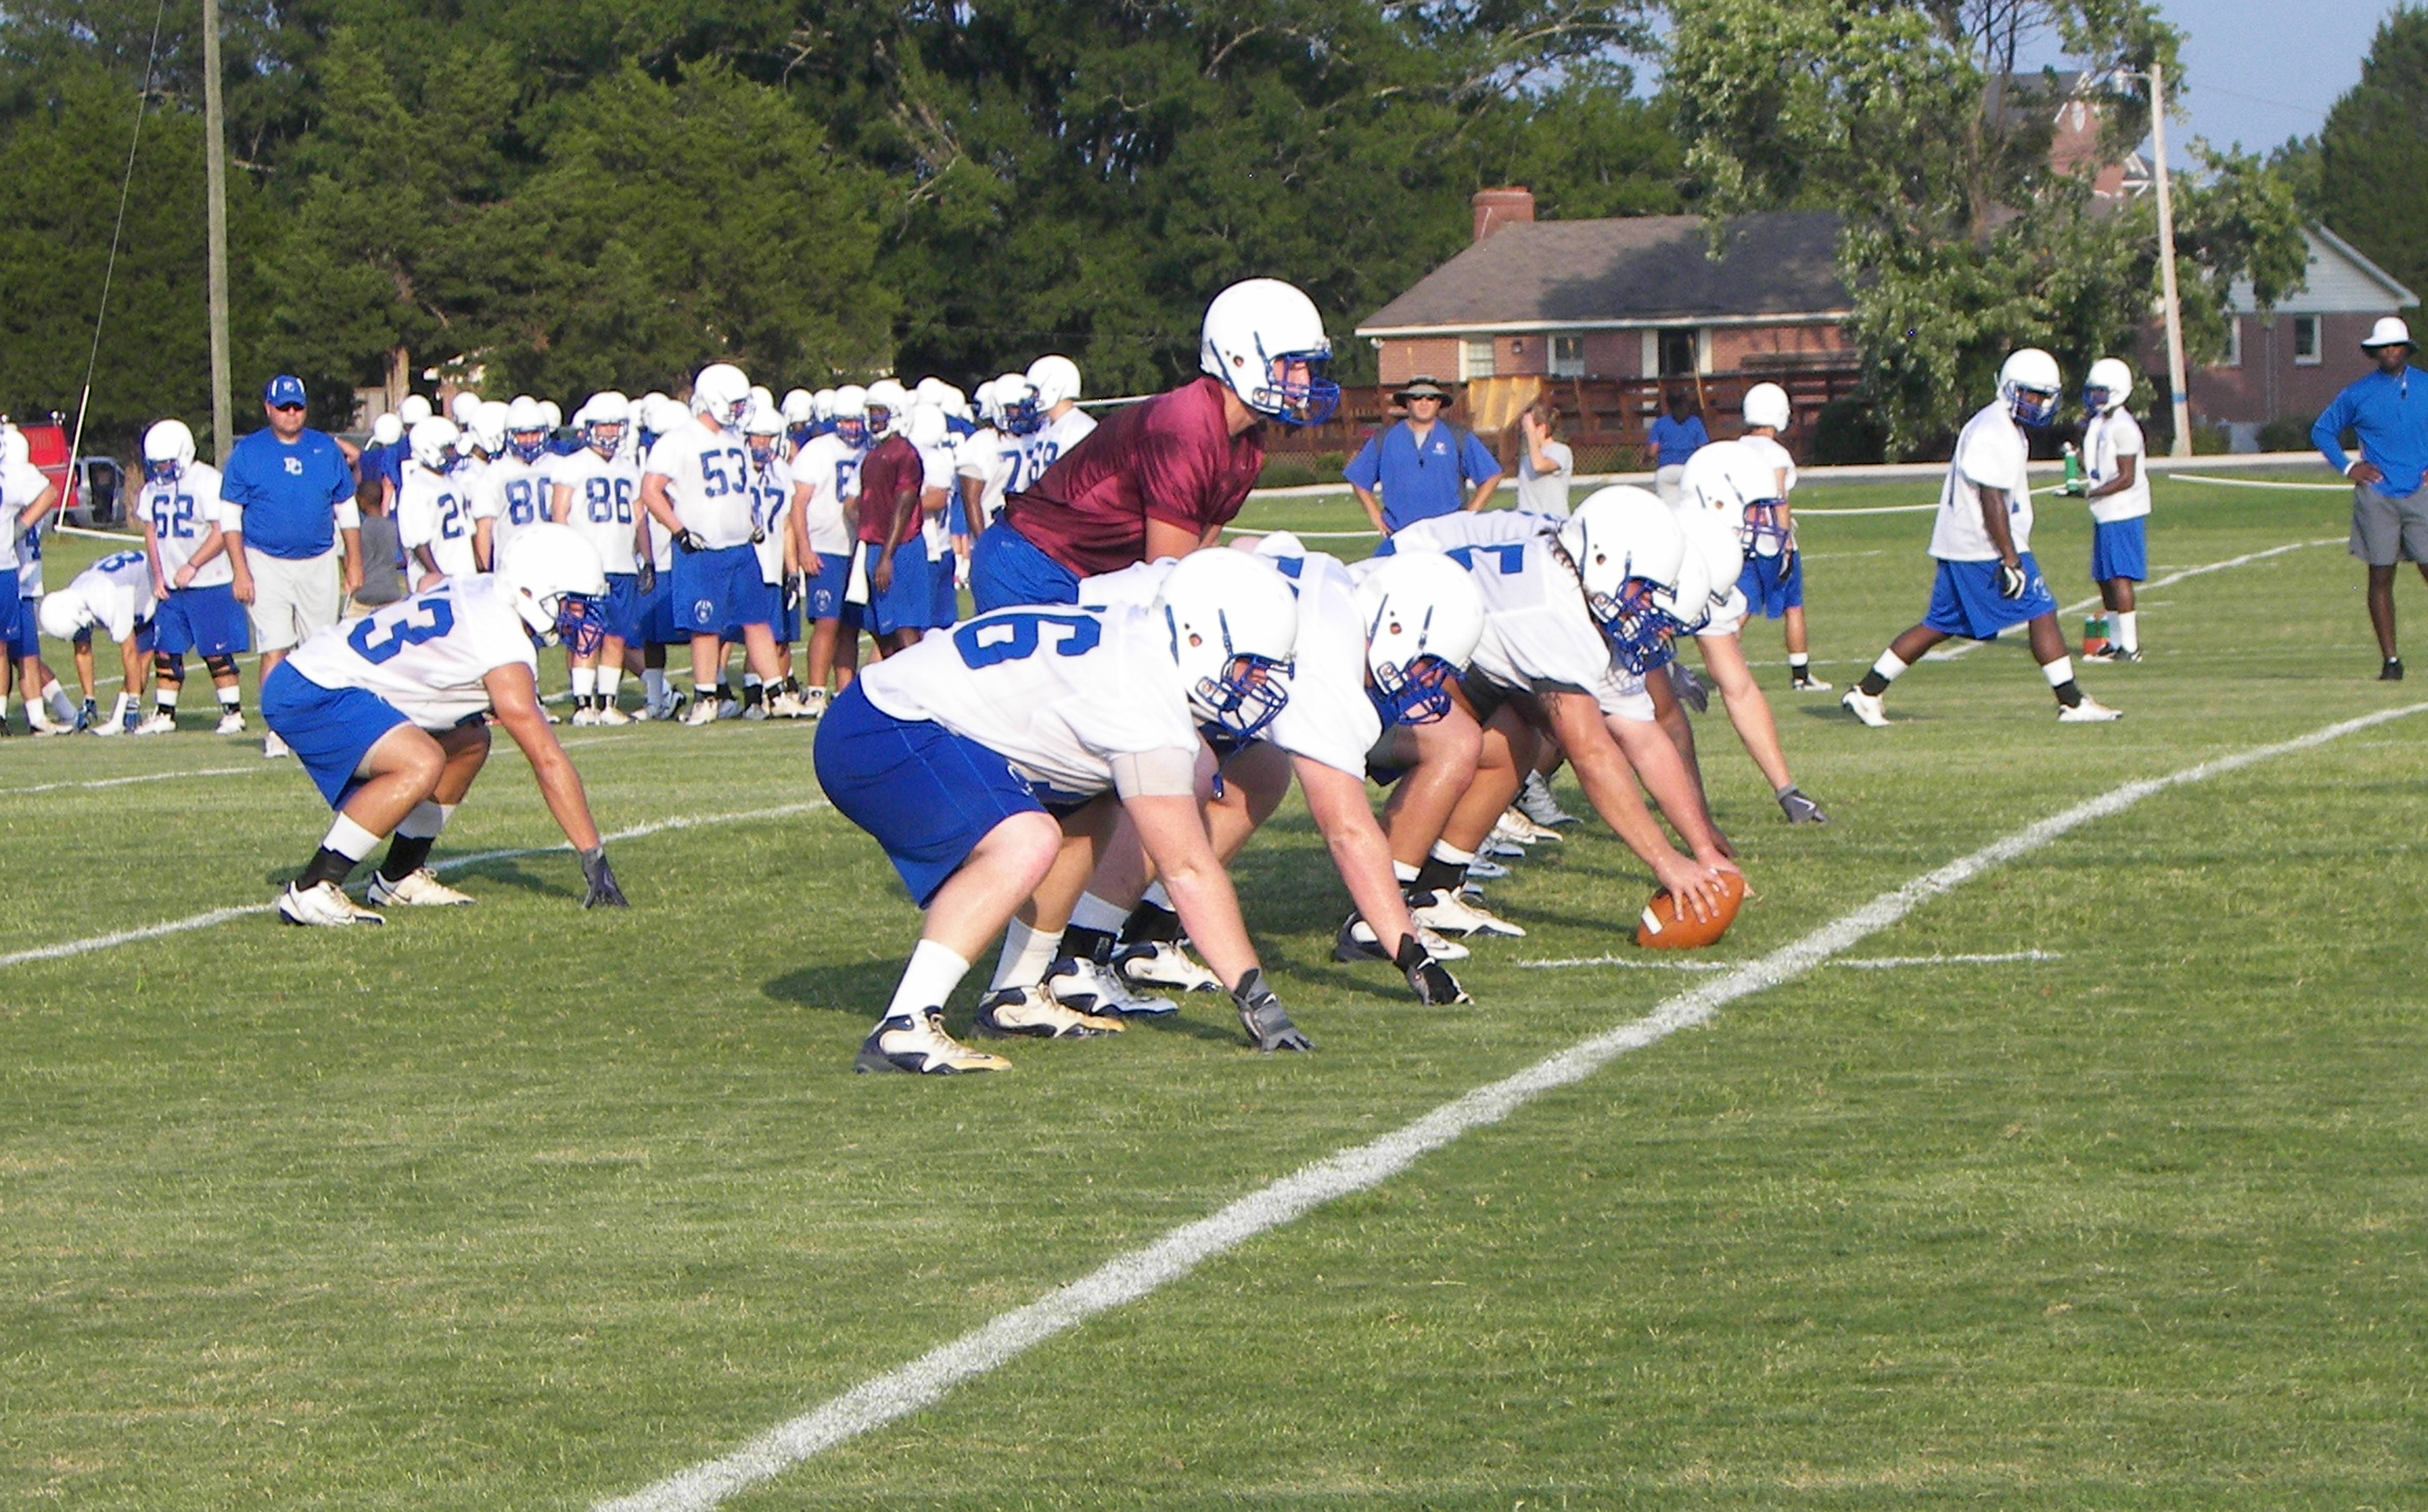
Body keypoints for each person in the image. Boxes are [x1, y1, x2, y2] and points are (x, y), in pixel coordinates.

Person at [812, 548, 1311, 1074]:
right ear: (1196, 638)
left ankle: (1016, 994)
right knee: (1026, 840)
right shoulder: (1141, 699)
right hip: (879, 727)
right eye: (1249, 668)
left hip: (902, 716)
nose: (1255, 686)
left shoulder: (1138, 637)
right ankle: (904, 1026)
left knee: (1091, 798)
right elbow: (1187, 870)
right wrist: (1258, 1000)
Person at [1386, 490, 1741, 934]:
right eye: (1645, 592)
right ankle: (1382, 911)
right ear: (1606, 560)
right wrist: (1665, 861)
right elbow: (1592, 754)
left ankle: (1434, 892)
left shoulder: (1585, 598)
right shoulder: (1554, 604)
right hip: (1383, 643)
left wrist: (1703, 850)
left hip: (1441, 646)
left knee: (1517, 737)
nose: (1647, 610)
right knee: (1458, 742)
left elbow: (1645, 738)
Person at [259, 523, 629, 926]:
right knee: (422, 762)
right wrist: (594, 859)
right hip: (313, 687)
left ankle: (399, 877)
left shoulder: (486, 588)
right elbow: (547, 760)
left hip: (330, 677)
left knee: (470, 741)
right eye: (571, 603)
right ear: (530, 591)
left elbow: (431, 584)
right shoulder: (503, 641)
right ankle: (313, 888)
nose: (579, 616)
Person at [972, 277, 1338, 610]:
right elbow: (1169, 583)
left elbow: (1200, 553)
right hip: (1031, 564)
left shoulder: (1246, 444)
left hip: (1085, 572)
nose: (1304, 382)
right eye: (1290, 364)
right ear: (1239, 358)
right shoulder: (1184, 429)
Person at [1842, 349, 2123, 727]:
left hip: (1966, 541)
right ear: (2010, 390)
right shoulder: (1994, 430)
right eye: (2031, 395)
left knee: (1939, 625)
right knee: (2041, 610)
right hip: (1980, 545)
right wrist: (2009, 557)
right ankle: (2071, 702)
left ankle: (1867, 692)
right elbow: (1990, 499)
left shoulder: (2003, 427)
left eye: (2043, 396)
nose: (2038, 404)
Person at [220, 374, 365, 759]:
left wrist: (354, 563)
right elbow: (230, 518)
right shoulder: (249, 453)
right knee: (276, 649)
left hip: (318, 559)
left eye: (297, 406)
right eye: (283, 407)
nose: (290, 414)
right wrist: (240, 570)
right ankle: (279, 730)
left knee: (321, 649)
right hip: (266, 560)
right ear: (268, 408)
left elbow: (347, 511)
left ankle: (321, 728)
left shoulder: (325, 449)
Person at [641, 363, 786, 726]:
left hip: (740, 546)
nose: (738, 410)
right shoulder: (678, 440)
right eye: (734, 403)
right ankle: (706, 697)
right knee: (705, 626)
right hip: (702, 549)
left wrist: (751, 521)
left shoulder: (735, 438)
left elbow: (743, 491)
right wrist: (679, 530)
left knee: (757, 621)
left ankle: (776, 693)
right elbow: (650, 491)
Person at [2312, 316, 2428, 680]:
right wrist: (2348, 469)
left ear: (2406, 350)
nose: (2390, 353)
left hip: (2420, 493)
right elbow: (2323, 431)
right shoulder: (2357, 394)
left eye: (2395, 346)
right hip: (2377, 495)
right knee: (2380, 575)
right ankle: (2390, 660)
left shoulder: (2425, 386)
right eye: (2383, 348)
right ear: (2375, 353)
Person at [135, 419, 251, 735]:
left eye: (167, 463)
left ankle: (233, 712)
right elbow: (151, 533)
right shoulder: (151, 490)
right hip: (172, 584)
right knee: (166, 650)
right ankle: (165, 713)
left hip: (210, 580)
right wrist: (158, 575)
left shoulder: (208, 481)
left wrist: (193, 564)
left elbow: (221, 531)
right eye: (157, 465)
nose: (162, 470)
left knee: (216, 649)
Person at [553, 391, 645, 724]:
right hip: (586, 565)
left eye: (615, 427)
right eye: (603, 426)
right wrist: (564, 563)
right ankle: (583, 705)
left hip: (621, 562)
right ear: (589, 428)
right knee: (586, 635)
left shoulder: (628, 467)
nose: (609, 433)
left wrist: (645, 557)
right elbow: (559, 514)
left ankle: (607, 703)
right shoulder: (572, 465)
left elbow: (639, 517)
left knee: (617, 636)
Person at [789, 383, 867, 714]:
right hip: (826, 546)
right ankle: (817, 691)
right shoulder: (817, 450)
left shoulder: (870, 450)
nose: (852, 428)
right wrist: (804, 548)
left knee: (851, 624)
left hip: (858, 547)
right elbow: (799, 504)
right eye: (846, 420)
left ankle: (845, 692)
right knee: (827, 623)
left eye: (856, 420)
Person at [1345, 376, 1503, 536]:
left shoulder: (1459, 437)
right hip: (1401, 534)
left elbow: (1492, 475)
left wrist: (1469, 516)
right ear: (1407, 403)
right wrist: (1375, 515)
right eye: (1417, 398)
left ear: (1439, 403)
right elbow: (1359, 478)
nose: (1424, 403)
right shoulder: (1385, 438)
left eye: (1430, 398)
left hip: (1450, 536)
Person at [2073, 357, 2150, 665]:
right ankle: (2115, 642)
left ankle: (2130, 647)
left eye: (2101, 392)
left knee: (2120, 577)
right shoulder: (2101, 424)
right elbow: (2092, 465)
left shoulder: (2125, 428)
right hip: (2105, 511)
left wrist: (2091, 491)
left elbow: (2126, 478)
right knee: (2105, 578)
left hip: (2123, 511)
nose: (2095, 398)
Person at [850, 380, 935, 660]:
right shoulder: (874, 454)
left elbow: (905, 505)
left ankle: (921, 693)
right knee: (882, 629)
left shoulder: (905, 453)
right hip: (876, 545)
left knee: (905, 628)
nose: (873, 419)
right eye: (871, 412)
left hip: (901, 547)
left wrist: (887, 556)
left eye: (879, 412)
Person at [38, 549, 158, 736]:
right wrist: (89, 698)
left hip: (150, 584)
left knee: (144, 651)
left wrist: (134, 702)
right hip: (124, 582)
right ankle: (119, 717)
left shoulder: (109, 599)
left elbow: (131, 653)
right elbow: (83, 649)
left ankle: (124, 716)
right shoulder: (75, 599)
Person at [0, 422, 62, 728]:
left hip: (15, 574)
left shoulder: (16, 479)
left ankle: (48, 715)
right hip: (25, 577)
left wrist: (19, 528)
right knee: (23, 653)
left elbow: (48, 493)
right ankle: (60, 713)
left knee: (19, 652)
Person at [395, 418, 479, 589]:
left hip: (463, 574)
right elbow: (419, 544)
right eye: (448, 448)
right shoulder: (416, 487)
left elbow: (468, 532)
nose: (453, 453)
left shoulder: (451, 481)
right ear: (428, 449)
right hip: (436, 579)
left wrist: (479, 568)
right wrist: (439, 578)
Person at [1010, 353, 1097, 492]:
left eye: (1036, 391)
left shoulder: (1082, 429)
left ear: (1055, 387)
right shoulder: (1045, 426)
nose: (1033, 397)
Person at [1515, 398, 1575, 517]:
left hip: (1552, 525)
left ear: (1542, 428)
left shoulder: (1561, 451)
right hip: (1528, 526)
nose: (1525, 433)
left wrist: (1531, 432)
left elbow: (1540, 466)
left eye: (1527, 429)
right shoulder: (1527, 458)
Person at [1648, 389, 1709, 504]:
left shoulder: (1660, 423)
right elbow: (1703, 449)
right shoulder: (1695, 422)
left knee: (1668, 506)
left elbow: (1653, 451)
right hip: (1687, 469)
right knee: (1689, 505)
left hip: (1666, 470)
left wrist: (1646, 459)